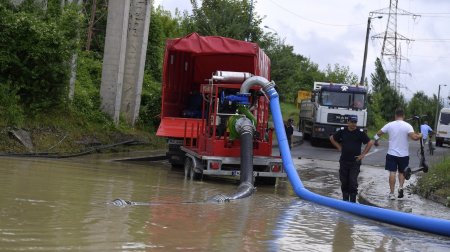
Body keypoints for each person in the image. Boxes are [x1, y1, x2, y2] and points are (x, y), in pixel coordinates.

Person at [374, 108, 422, 200]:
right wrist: (420, 135)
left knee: (392, 173)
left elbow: (378, 133)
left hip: (391, 153)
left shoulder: (390, 125)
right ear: (403, 116)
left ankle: (392, 194)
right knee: (402, 172)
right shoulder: (408, 126)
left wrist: (376, 140)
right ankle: (400, 187)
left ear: (395, 115)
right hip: (404, 155)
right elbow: (414, 138)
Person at [329, 115, 374, 203]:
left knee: (352, 182)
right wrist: (339, 147)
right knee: (344, 182)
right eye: (352, 122)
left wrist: (363, 154)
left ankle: (353, 202)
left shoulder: (360, 132)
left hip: (355, 161)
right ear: (348, 122)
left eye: (355, 122)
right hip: (344, 161)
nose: (354, 124)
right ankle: (345, 201)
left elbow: (370, 143)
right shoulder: (342, 131)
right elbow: (332, 138)